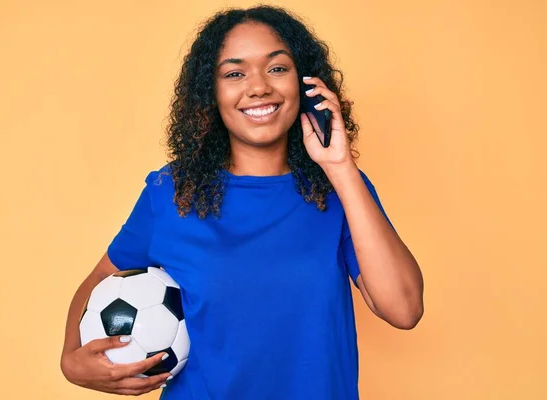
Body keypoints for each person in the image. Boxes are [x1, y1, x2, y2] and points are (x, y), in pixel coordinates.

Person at [60, 5, 424, 400]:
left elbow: (404, 310)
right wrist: (70, 359)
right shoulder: (172, 192)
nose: (258, 87)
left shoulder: (338, 190)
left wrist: (340, 167)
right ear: (210, 93)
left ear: (304, 82)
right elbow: (101, 280)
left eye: (277, 68)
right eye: (234, 73)